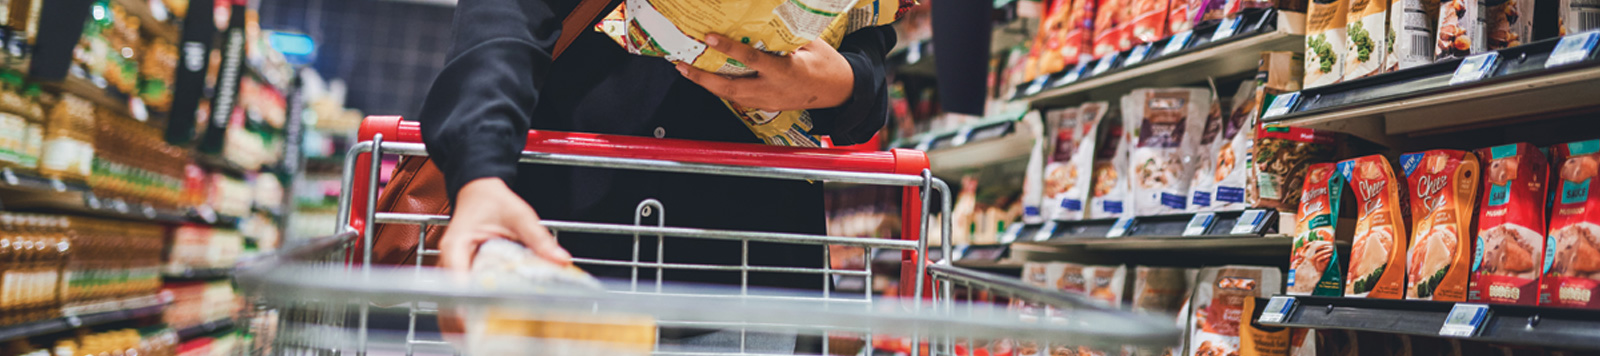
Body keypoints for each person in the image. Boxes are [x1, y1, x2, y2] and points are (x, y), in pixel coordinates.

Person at [417, 0, 895, 351]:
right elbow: (503, 19)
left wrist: (835, 84)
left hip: (750, 280)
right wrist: (480, 173)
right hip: (563, 269)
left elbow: (866, 60)